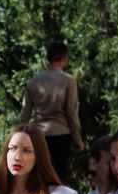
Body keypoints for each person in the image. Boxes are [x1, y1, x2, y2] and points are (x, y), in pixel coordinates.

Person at [21, 42, 82, 175]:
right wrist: (77, 139)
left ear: (47, 58)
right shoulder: (68, 80)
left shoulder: (33, 81)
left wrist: (20, 139)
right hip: (61, 134)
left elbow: (25, 114)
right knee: (58, 177)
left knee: (39, 176)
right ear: (64, 57)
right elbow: (71, 112)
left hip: (39, 135)